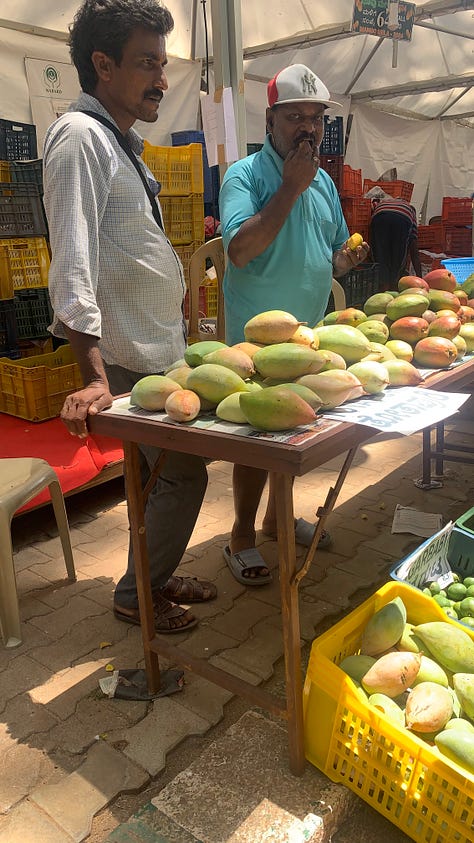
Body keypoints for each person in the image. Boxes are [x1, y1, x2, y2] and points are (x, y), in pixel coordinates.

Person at [43, 0, 215, 633]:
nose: (162, 80)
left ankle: (154, 576)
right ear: (102, 65)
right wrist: (93, 377)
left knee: (156, 481)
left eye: (164, 65)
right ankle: (136, 592)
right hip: (125, 358)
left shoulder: (119, 143)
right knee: (184, 476)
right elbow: (73, 260)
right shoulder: (81, 139)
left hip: (152, 349)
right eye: (148, 63)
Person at [219, 63, 369, 585]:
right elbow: (238, 250)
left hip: (309, 335)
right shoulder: (243, 176)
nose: (307, 128)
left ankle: (276, 520)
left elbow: (332, 254)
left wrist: (347, 259)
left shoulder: (324, 183)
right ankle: (240, 533)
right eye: (294, 117)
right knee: (258, 437)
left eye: (316, 119)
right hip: (255, 339)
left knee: (297, 430)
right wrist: (288, 188)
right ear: (271, 121)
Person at [366, 186, 422, 290]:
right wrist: (420, 279)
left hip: (380, 216)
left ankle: (383, 286)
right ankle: (393, 286)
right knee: (398, 256)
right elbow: (413, 248)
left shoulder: (382, 203)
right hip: (401, 219)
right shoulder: (410, 209)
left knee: (380, 255)